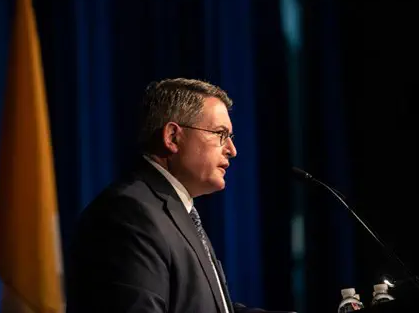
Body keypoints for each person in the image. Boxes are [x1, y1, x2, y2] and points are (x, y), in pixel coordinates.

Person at [65, 78, 295, 313]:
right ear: (173, 137)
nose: (232, 151)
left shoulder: (173, 210)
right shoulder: (129, 215)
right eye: (220, 134)